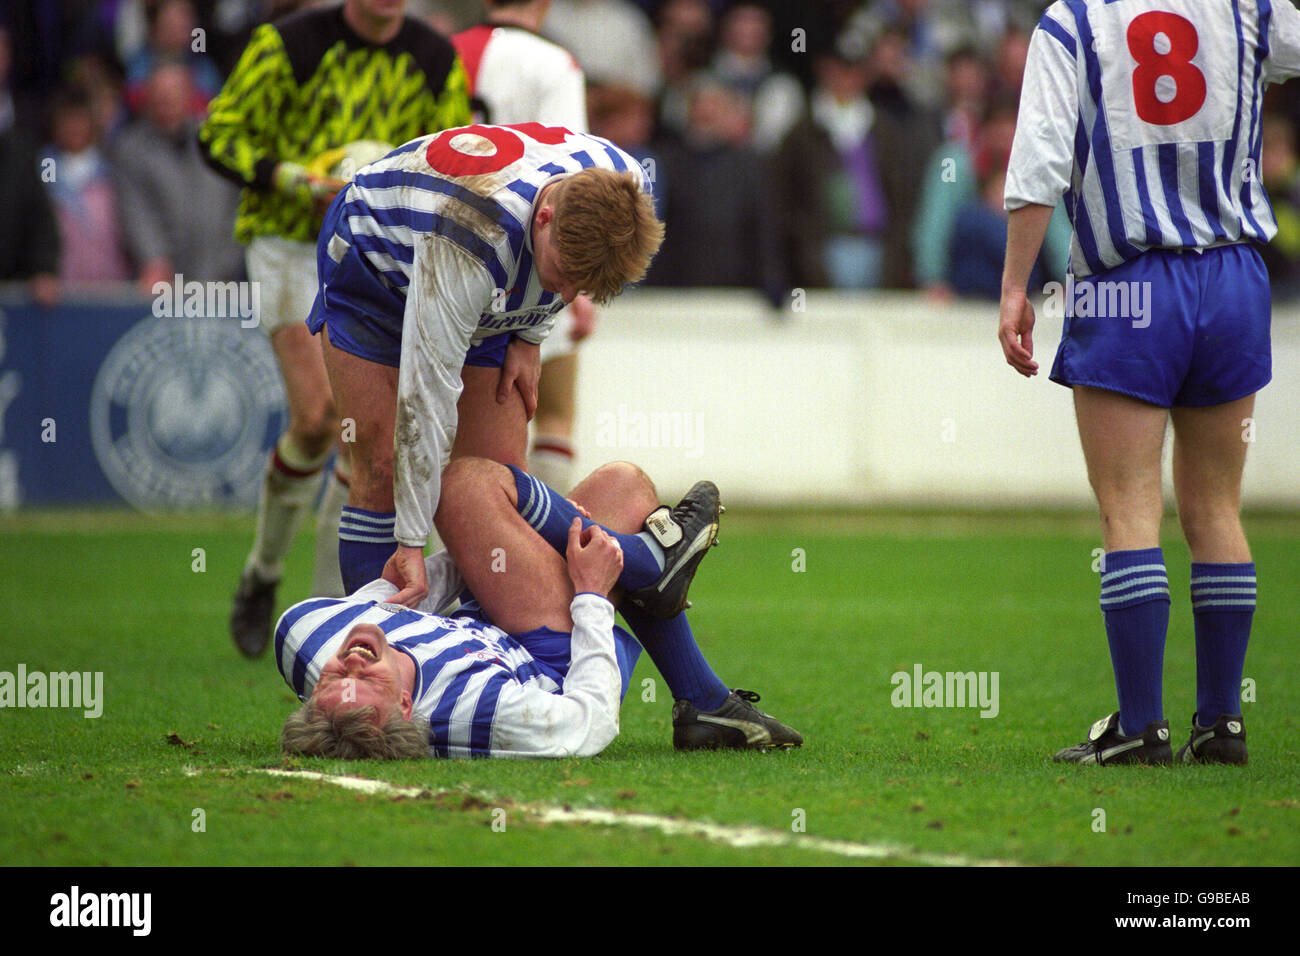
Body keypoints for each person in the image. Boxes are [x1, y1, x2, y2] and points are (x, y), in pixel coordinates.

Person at [998, 0, 1300, 765]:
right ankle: (1222, 723)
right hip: (1234, 277)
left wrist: (1013, 288)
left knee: (1131, 510)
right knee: (1217, 509)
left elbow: (1038, 159)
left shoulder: (1073, 23)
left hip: (1127, 281)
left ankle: (1140, 726)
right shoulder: (1248, 11)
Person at [198, 0, 471, 658]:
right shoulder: (288, 45)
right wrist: (292, 179)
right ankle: (263, 572)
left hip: (379, 252)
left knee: (371, 439)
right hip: (291, 242)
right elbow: (219, 135)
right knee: (320, 418)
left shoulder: (436, 59)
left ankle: (329, 617)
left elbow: (457, 158)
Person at [308, 122, 663, 610]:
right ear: (546, 217)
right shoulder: (474, 234)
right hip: (374, 265)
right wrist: (411, 541)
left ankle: (485, 661)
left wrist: (530, 334)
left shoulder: (629, 189)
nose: (564, 295)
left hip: (482, 268)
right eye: (561, 277)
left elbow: (565, 276)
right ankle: (377, 653)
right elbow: (425, 400)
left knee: (493, 486)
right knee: (383, 468)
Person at [276, 456, 803, 758]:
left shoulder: (304, 632)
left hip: (488, 616)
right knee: (465, 489)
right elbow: (588, 726)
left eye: (331, 679)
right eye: (367, 683)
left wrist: (491, 547)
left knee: (619, 484)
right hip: (554, 657)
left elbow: (412, 597)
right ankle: (649, 565)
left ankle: (702, 699)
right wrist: (592, 597)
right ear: (409, 711)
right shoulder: (479, 712)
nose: (352, 663)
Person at [453, 0, 597, 493]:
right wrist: (579, 291)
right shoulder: (555, 64)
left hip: (446, 258)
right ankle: (536, 562)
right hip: (532, 263)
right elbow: (568, 173)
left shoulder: (443, 54)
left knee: (439, 434)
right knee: (552, 415)